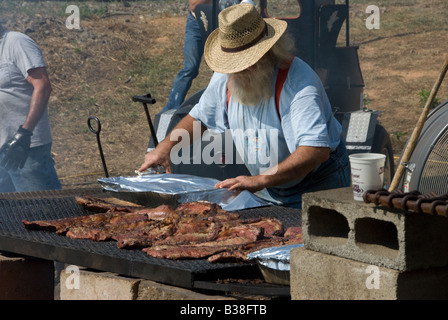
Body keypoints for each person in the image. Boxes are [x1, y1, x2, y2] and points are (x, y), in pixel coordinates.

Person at [139, 3, 350, 209]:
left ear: (267, 54)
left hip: (318, 184)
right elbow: (200, 118)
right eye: (232, 65)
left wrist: (258, 181)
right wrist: (165, 148)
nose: (235, 72)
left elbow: (315, 150)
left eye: (242, 65)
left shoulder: (299, 85)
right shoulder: (227, 76)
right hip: (269, 186)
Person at [0, 22, 61, 192]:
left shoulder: (16, 42)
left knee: (43, 209)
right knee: (9, 214)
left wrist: (24, 133)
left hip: (25, 148)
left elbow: (42, 86)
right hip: (1, 147)